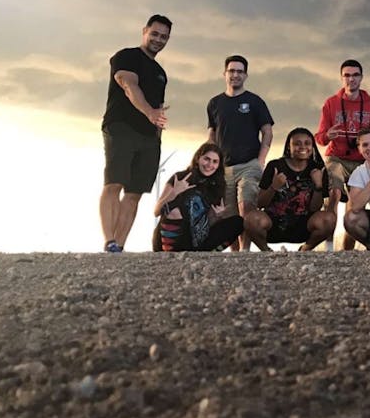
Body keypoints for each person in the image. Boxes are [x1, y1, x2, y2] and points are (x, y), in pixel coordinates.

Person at [99, 14, 172, 253]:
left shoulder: (161, 73)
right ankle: (109, 239)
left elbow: (158, 107)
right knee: (114, 183)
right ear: (144, 32)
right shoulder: (126, 57)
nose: (158, 39)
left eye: (164, 37)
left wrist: (157, 128)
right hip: (121, 128)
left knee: (134, 193)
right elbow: (129, 85)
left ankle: (118, 247)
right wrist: (149, 112)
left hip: (149, 138)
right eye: (155, 34)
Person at [206, 55, 274, 247]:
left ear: (245, 75)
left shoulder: (255, 101)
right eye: (231, 71)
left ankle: (246, 250)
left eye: (239, 72)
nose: (235, 75)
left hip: (249, 164)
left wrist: (261, 160)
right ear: (224, 74)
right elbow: (212, 133)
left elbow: (267, 131)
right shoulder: (214, 103)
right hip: (224, 167)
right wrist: (211, 160)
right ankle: (235, 254)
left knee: (246, 205)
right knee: (229, 214)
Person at [315, 59, 370, 250]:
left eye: (355, 75)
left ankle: (347, 251)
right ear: (341, 78)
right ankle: (329, 247)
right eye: (347, 75)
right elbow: (320, 138)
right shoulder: (331, 103)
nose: (350, 79)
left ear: (361, 78)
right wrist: (328, 135)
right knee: (333, 194)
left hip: (361, 160)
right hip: (336, 157)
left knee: (355, 205)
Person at [151, 143, 259, 251]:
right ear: (198, 159)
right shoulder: (180, 177)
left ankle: (204, 254)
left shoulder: (217, 185)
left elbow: (207, 224)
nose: (210, 164)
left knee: (237, 222)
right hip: (172, 237)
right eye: (206, 159)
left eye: (215, 161)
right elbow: (156, 211)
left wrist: (216, 216)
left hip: (196, 237)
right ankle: (170, 253)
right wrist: (174, 193)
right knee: (175, 209)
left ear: (219, 165)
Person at [244, 128, 337, 251]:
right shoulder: (275, 166)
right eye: (297, 143)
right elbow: (260, 203)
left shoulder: (318, 168)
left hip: (304, 225)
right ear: (289, 146)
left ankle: (306, 249)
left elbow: (315, 208)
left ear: (312, 147)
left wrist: (318, 185)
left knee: (328, 219)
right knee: (251, 219)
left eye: (307, 143)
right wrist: (274, 186)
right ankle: (266, 252)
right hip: (274, 223)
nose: (302, 147)